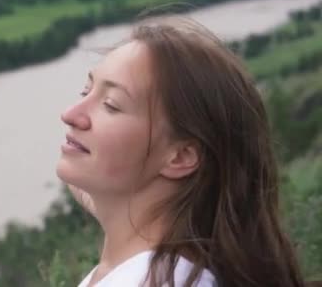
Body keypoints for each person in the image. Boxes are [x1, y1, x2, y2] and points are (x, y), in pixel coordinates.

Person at [55, 15, 306, 287]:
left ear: (181, 156)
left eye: (111, 105)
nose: (70, 115)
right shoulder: (158, 261)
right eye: (86, 90)